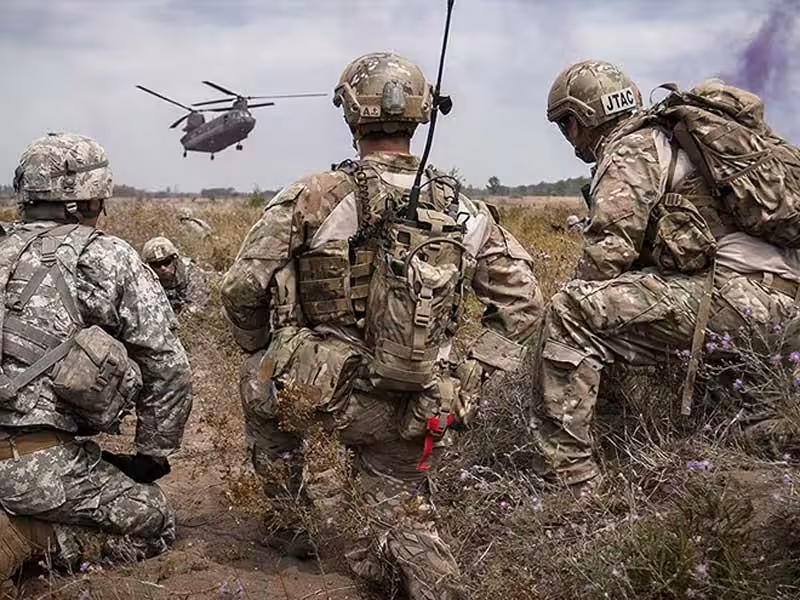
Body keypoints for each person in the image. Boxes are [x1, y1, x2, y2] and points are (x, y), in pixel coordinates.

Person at [222, 51, 543, 599]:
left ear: (350, 115)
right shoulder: (464, 207)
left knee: (258, 378)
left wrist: (265, 350)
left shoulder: (313, 196)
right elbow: (526, 305)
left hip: (325, 396)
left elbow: (241, 289)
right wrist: (470, 373)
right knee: (400, 514)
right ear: (419, 117)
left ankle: (289, 520)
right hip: (422, 403)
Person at [530, 59, 800, 494]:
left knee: (572, 313)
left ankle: (571, 480)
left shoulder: (632, 147)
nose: (568, 137)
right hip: (782, 307)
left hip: (736, 300)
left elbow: (605, 258)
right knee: (745, 426)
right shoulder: (676, 139)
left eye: (566, 124)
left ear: (582, 118)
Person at [0, 132, 193, 585]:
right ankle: (26, 537)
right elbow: (167, 365)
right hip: (34, 465)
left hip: (33, 455)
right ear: (84, 202)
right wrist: (151, 452)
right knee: (155, 521)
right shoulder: (106, 256)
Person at [141, 236, 210, 315]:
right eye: (156, 264)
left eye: (166, 262)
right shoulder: (145, 278)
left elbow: (198, 305)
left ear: (174, 260)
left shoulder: (190, 272)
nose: (163, 268)